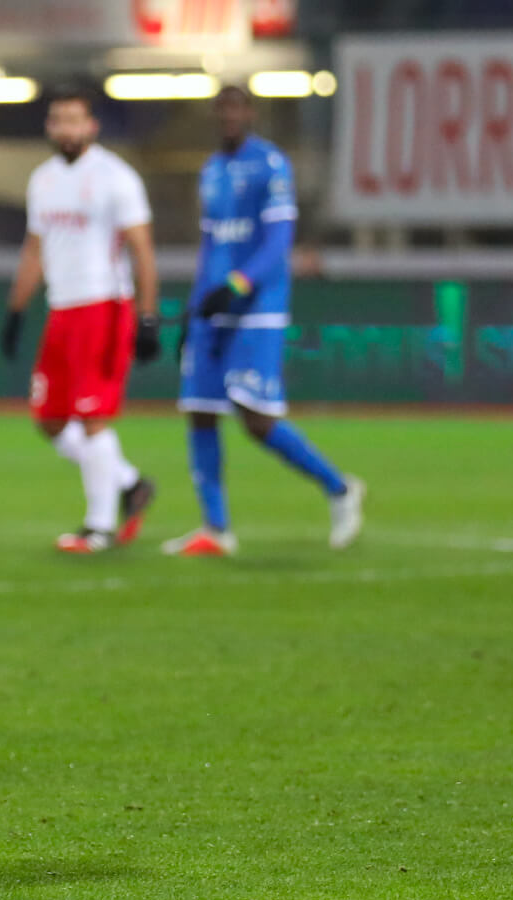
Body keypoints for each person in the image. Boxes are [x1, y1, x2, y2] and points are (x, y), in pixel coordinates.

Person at [163, 85, 365, 556]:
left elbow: (278, 244)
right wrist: (196, 310)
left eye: (237, 109)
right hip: (215, 307)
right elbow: (211, 246)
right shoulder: (212, 171)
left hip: (256, 307)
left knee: (255, 418)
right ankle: (216, 529)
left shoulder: (271, 165)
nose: (229, 117)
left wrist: (235, 286)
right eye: (222, 110)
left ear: (250, 113)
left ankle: (339, 489)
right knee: (199, 409)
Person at [0, 85, 159, 554]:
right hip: (62, 309)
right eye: (58, 120)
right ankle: (129, 483)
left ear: (92, 126)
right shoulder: (43, 179)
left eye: (75, 120)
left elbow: (142, 249)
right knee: (49, 419)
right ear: (50, 127)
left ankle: (100, 525)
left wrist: (147, 317)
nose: (66, 129)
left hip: (104, 306)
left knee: (92, 418)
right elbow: (35, 250)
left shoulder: (115, 176)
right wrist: (15, 311)